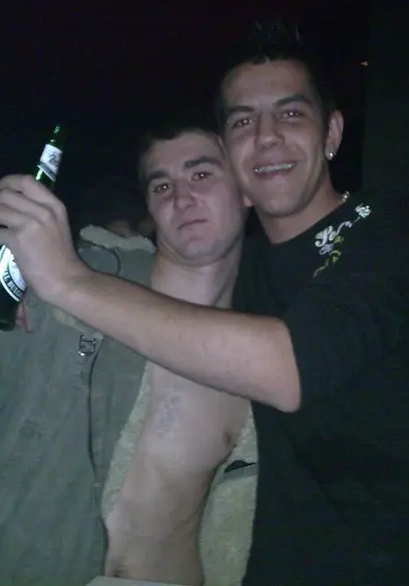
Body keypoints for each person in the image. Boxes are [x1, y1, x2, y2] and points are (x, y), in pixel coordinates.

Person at [1, 21, 409, 584]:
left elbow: (286, 367)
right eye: (242, 121)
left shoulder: (398, 223)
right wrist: (40, 278)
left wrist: (66, 278)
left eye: (290, 113)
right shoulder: (234, 281)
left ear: (332, 132)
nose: (266, 137)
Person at [0, 121, 256, 585]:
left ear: (247, 192)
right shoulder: (75, 285)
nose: (182, 198)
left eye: (201, 174)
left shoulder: (262, 352)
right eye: (162, 185)